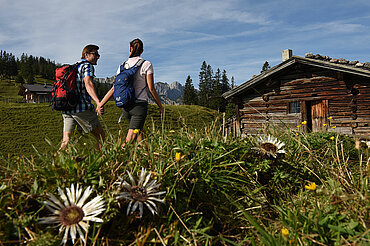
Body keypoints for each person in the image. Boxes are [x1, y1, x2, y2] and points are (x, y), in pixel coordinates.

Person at [101, 38, 163, 145]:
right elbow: (151, 89)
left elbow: (113, 88)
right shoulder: (146, 64)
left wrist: (101, 104)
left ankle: (143, 157)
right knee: (129, 140)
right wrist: (160, 107)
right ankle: (118, 157)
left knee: (140, 135)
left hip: (126, 106)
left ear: (130, 49)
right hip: (139, 106)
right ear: (142, 51)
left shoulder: (122, 66)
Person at [60, 44, 105, 150]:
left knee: (66, 141)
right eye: (95, 54)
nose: (98, 57)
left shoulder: (75, 67)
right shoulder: (87, 66)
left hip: (67, 109)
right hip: (81, 109)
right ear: (86, 54)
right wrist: (98, 102)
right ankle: (101, 163)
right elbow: (88, 83)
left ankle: (55, 165)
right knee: (101, 137)